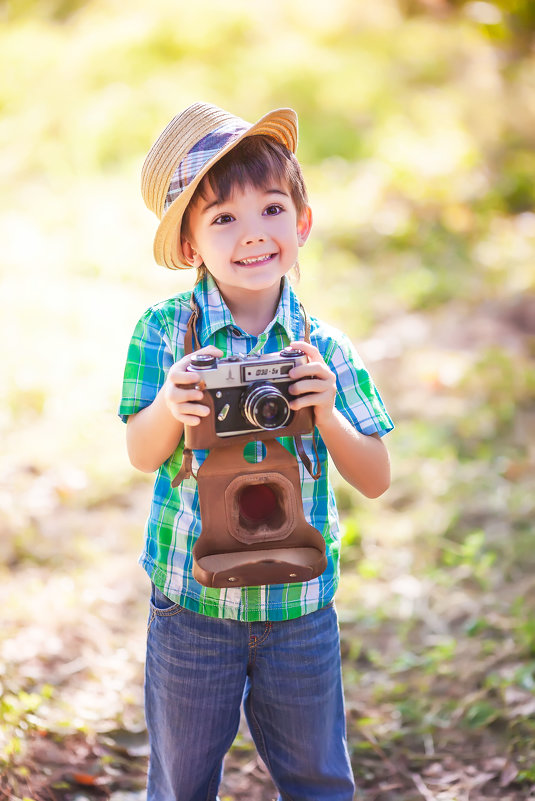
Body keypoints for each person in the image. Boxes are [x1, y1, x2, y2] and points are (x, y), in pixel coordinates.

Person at [119, 102, 394, 801]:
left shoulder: (320, 346)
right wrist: (168, 408)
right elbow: (138, 451)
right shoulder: (164, 332)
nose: (252, 235)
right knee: (180, 782)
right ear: (189, 246)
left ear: (301, 223)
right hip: (191, 604)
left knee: (318, 778)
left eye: (271, 209)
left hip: (299, 606)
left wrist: (326, 413)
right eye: (222, 219)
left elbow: (375, 477)